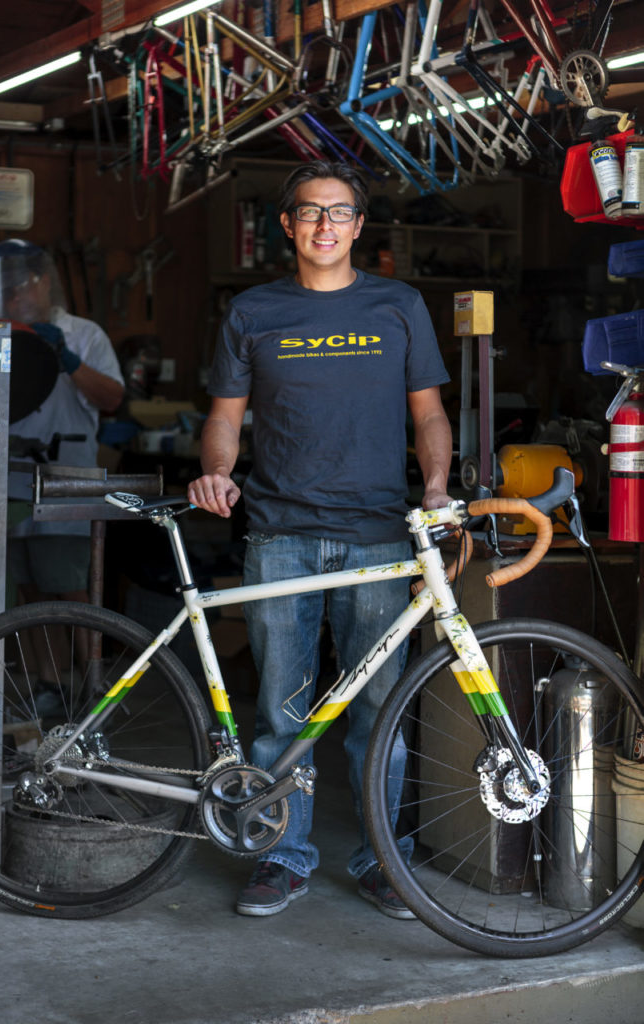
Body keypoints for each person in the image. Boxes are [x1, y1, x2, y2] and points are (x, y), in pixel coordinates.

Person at [187, 160, 452, 919]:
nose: (325, 226)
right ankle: (282, 856)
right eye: (310, 213)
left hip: (376, 535)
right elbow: (226, 418)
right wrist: (216, 472)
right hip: (278, 534)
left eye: (339, 213)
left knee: (377, 712)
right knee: (281, 710)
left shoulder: (397, 306)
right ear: (287, 225)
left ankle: (381, 863)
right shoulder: (252, 313)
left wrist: (433, 487)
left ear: (359, 226)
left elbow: (428, 413)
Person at [0, 240, 125, 694]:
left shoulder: (83, 334)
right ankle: (51, 681)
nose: (18, 297)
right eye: (9, 290)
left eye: (24, 286)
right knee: (31, 592)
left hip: (67, 478)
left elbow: (113, 399)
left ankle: (95, 691)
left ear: (45, 283)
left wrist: (68, 362)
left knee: (71, 590)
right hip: (10, 479)